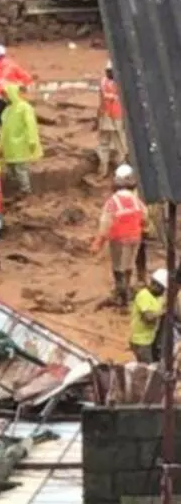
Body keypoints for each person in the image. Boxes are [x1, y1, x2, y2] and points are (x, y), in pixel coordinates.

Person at [93, 165, 149, 306]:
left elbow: (105, 223)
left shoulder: (113, 202)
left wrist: (98, 243)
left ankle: (121, 296)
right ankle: (127, 289)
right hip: (135, 237)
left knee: (118, 267)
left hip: (118, 239)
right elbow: (145, 218)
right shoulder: (136, 201)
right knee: (129, 265)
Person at [0, 84, 41, 195]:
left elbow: (30, 124)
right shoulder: (7, 110)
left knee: (21, 169)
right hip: (9, 146)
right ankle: (15, 190)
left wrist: (32, 140)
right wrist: (0, 145)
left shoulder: (24, 107)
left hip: (21, 144)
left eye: (5, 95)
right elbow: (4, 129)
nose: (4, 98)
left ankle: (25, 191)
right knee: (11, 169)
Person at [97, 61, 128, 176]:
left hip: (116, 115)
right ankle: (103, 168)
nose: (109, 73)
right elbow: (101, 99)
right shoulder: (105, 82)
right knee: (107, 141)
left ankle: (120, 170)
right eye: (108, 71)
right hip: (108, 115)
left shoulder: (117, 83)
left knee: (119, 143)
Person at [131, 270, 166, 362]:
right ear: (156, 285)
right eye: (162, 289)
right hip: (140, 341)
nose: (163, 291)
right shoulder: (143, 295)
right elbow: (148, 317)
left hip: (151, 339)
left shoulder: (159, 297)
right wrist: (164, 311)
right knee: (147, 368)